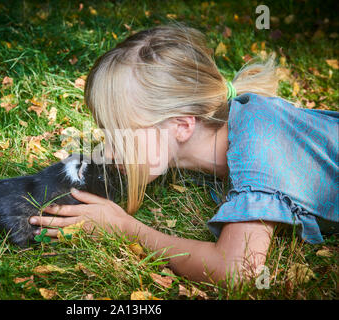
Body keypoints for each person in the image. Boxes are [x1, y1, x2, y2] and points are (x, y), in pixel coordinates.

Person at [29, 25, 338, 284]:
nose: (108, 151)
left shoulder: (259, 156)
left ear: (182, 125)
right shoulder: (235, 124)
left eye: (122, 133)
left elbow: (237, 270)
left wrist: (123, 226)